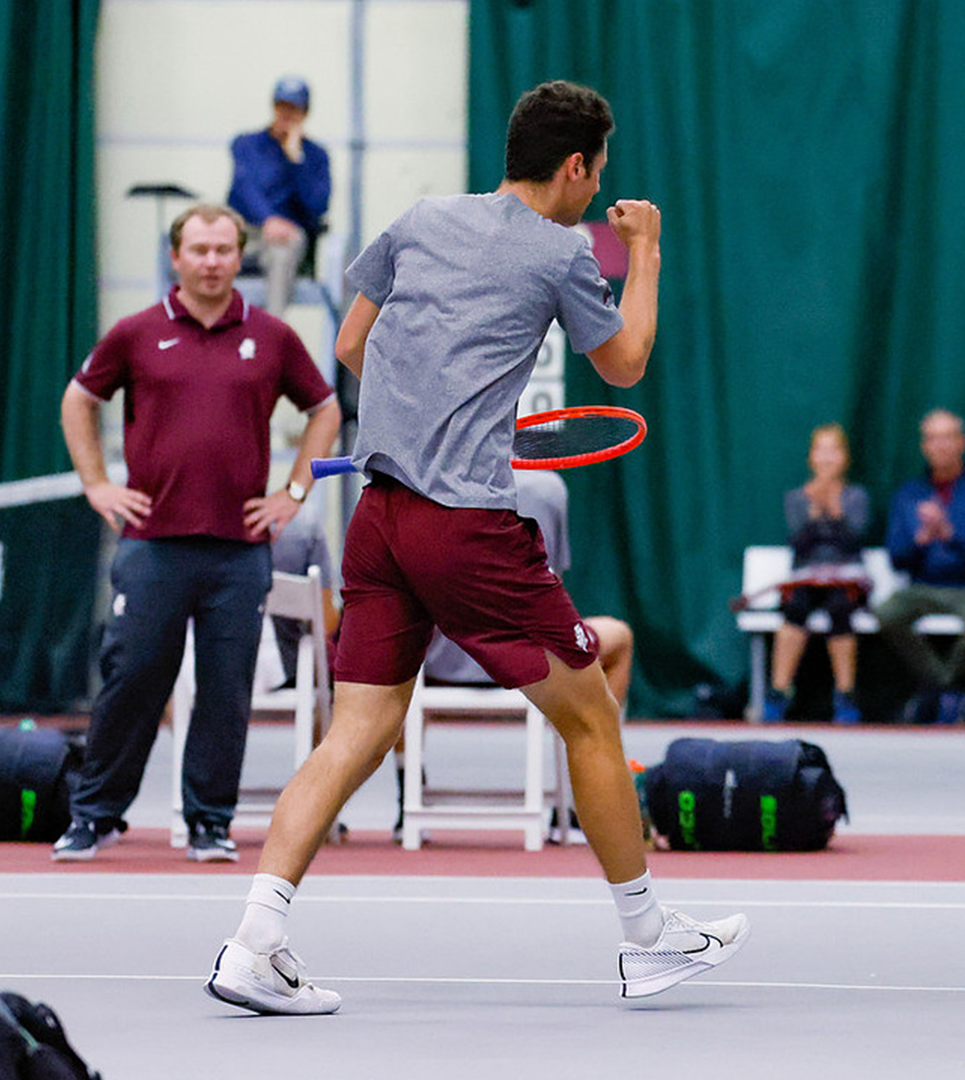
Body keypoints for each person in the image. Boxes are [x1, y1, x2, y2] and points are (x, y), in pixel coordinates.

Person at [204, 80, 746, 1015]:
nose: (598, 186)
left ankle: (254, 940)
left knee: (358, 730)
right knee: (591, 718)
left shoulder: (420, 219)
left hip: (378, 516)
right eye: (598, 171)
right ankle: (650, 940)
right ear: (576, 166)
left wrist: (428, 415)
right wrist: (645, 250)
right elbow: (626, 363)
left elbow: (349, 342)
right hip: (466, 528)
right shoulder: (566, 253)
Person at [55, 204, 340, 864]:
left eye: (222, 250)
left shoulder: (271, 336)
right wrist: (96, 484)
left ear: (240, 257)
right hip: (152, 545)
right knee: (132, 679)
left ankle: (209, 822)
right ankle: (94, 816)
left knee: (225, 686)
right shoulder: (135, 332)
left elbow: (324, 409)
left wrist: (294, 492)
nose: (211, 261)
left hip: (239, 551)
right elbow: (79, 400)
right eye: (198, 250)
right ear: (176, 257)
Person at [423, 470, 635, 710]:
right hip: (539, 666)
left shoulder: (428, 486)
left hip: (435, 666)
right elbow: (552, 589)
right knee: (620, 637)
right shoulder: (547, 488)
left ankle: (404, 749)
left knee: (402, 646)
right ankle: (597, 746)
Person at [876, 408, 965, 726]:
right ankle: (946, 688)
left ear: (962, 442)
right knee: (886, 613)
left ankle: (935, 690)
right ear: (924, 446)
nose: (940, 446)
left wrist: (951, 535)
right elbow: (897, 558)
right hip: (923, 585)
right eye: (932, 439)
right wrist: (921, 539)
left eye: (947, 438)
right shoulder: (909, 493)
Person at [762, 423, 870, 725]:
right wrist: (813, 514)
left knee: (840, 609)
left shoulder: (856, 496)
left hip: (844, 582)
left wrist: (834, 509)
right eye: (820, 450)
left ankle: (846, 696)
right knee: (794, 608)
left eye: (833, 450)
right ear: (811, 457)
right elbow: (798, 542)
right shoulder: (796, 498)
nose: (827, 458)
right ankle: (778, 692)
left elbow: (854, 537)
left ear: (845, 457)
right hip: (805, 580)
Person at [228, 76, 332, 313]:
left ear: (305, 113)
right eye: (282, 106)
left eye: (294, 109)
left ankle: (270, 334)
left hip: (288, 237)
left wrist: (297, 160)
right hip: (246, 232)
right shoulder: (246, 144)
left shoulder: (315, 156)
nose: (287, 114)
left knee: (281, 252)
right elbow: (243, 189)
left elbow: (317, 205)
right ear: (273, 106)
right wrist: (268, 219)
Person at [266, 502, 339, 689]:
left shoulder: (194, 531)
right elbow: (326, 623)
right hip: (289, 674)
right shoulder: (304, 526)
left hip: (210, 672)